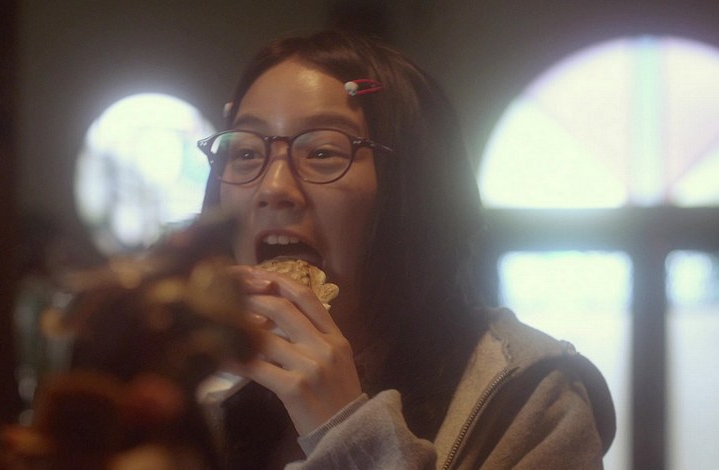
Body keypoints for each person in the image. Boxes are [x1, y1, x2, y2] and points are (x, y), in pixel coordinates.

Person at [198, 30, 615, 469]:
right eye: (246, 152)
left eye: (321, 152)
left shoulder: (532, 400)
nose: (273, 187)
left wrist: (344, 432)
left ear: (412, 193)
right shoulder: (202, 393)